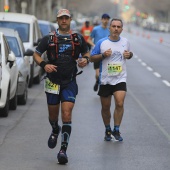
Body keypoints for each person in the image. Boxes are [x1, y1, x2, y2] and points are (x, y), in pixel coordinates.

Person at [33, 9, 90, 164]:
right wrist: (44, 65)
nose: (64, 20)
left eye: (66, 18)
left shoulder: (78, 38)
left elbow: (87, 53)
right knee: (53, 116)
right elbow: (36, 54)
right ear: (57, 20)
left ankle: (63, 150)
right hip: (52, 81)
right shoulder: (49, 38)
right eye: (61, 18)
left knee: (66, 115)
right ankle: (55, 129)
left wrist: (85, 60)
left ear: (70, 19)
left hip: (69, 81)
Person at [90, 18, 133, 142]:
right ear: (109, 28)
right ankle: (108, 129)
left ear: (121, 29)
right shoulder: (102, 43)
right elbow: (92, 58)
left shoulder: (126, 42)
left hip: (120, 78)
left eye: (118, 27)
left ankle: (117, 129)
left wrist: (129, 55)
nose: (116, 29)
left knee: (119, 103)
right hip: (105, 79)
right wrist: (103, 55)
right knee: (105, 107)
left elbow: (129, 54)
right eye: (113, 26)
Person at [87, 13, 110, 92]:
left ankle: (102, 89)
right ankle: (97, 81)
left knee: (105, 74)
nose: (105, 20)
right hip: (97, 54)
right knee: (97, 74)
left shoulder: (110, 30)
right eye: (104, 19)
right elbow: (89, 39)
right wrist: (94, 45)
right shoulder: (96, 29)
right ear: (101, 20)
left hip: (107, 55)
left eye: (107, 19)